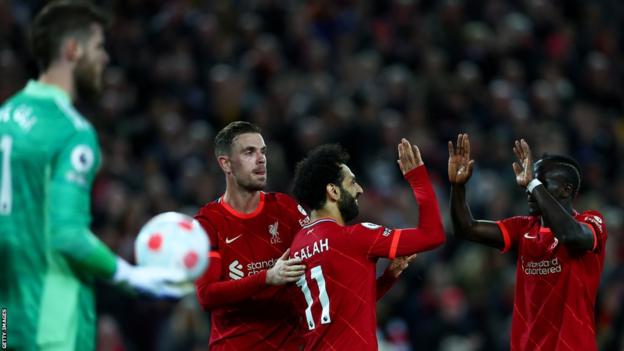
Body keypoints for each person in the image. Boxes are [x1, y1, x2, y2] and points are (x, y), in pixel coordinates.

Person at [0, 2, 188, 350]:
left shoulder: (6, 116)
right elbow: (67, 234)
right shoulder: (71, 131)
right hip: (50, 314)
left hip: (8, 312)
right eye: (99, 47)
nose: (105, 59)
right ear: (73, 50)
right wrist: (130, 275)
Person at [448, 133, 607, 350]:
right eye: (529, 182)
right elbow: (466, 228)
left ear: (566, 190)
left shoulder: (590, 221)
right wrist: (458, 188)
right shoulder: (523, 228)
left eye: (539, 182)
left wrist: (533, 183)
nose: (528, 189)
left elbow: (570, 235)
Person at [289, 139, 446, 350]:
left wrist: (387, 278)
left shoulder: (297, 246)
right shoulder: (356, 237)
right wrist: (417, 178)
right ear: (333, 191)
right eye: (352, 183)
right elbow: (432, 235)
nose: (360, 190)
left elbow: (342, 307)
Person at [193, 121, 310, 350]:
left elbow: (321, 257)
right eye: (249, 152)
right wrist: (267, 277)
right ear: (225, 164)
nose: (261, 159)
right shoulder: (208, 222)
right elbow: (207, 295)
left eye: (263, 151)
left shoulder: (285, 209)